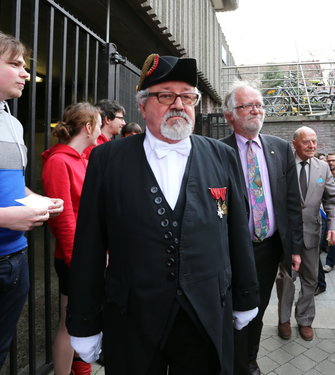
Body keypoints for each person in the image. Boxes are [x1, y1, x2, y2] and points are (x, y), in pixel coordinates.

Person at [66, 55, 259, 375]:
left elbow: (236, 229)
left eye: (187, 96)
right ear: (142, 106)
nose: (179, 104)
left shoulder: (222, 156)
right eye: (166, 95)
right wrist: (83, 322)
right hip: (133, 318)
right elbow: (89, 244)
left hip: (206, 315)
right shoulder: (107, 160)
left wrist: (246, 294)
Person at [221, 81, 303, 375]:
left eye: (259, 104)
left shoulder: (280, 149)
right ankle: (232, 362)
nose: (256, 110)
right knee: (232, 311)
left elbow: (292, 203)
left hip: (269, 249)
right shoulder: (218, 151)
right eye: (247, 105)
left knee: (256, 310)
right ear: (230, 115)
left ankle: (249, 361)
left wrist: (295, 249)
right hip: (232, 251)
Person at [0, 31, 63, 370]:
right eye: (15, 64)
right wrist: (4, 218)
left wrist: (42, 199)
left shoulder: (13, 122)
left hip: (15, 259)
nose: (26, 73)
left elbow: (15, 189)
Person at [42, 102, 101, 375]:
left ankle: (82, 369)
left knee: (84, 319)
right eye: (97, 124)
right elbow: (63, 219)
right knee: (69, 322)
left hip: (89, 254)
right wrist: (78, 262)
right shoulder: (58, 161)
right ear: (88, 127)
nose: (100, 130)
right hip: (74, 257)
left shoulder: (82, 158)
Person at [276, 126, 335, 341]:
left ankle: (304, 320)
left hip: (312, 233)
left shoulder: (323, 168)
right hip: (287, 236)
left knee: (310, 279)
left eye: (314, 141)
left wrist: (334, 226)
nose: (312, 145)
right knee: (286, 279)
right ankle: (284, 319)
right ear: (294, 143)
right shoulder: (282, 166)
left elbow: (332, 201)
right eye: (306, 142)